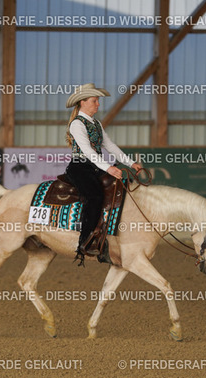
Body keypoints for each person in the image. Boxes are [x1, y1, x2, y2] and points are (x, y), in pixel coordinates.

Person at [64, 83, 142, 261]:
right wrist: (109, 168)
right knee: (95, 196)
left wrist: (130, 163)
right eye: (94, 101)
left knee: (118, 190)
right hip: (80, 167)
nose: (98, 104)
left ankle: (111, 236)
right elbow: (87, 151)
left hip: (94, 167)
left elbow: (110, 146)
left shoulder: (96, 123)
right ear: (83, 102)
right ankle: (85, 241)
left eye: (98, 101)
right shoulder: (77, 124)